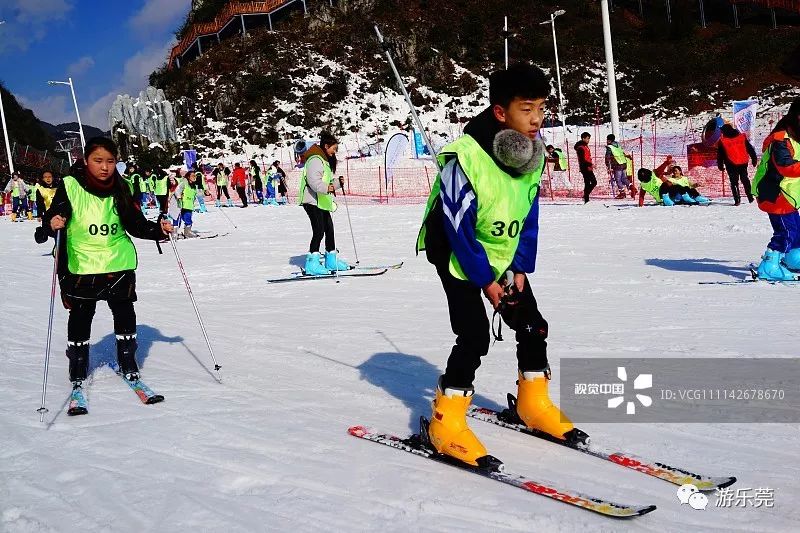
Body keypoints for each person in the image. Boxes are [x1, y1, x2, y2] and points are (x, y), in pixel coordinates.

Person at [416, 64, 575, 467]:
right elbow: (456, 229)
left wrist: (519, 266)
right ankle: (445, 421)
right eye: (527, 109)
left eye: (541, 107)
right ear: (501, 112)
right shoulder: (465, 159)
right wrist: (486, 280)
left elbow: (528, 213)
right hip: (458, 255)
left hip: (502, 253)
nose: (537, 119)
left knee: (533, 325)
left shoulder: (530, 154)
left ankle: (533, 402)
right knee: (474, 337)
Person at [41, 137, 173, 402]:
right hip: (83, 263)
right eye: (98, 161)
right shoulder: (70, 186)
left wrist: (157, 230)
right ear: (86, 160)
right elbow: (52, 218)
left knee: (124, 310)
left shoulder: (121, 187)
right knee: (81, 314)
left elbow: (134, 223)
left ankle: (128, 363)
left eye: (110, 161)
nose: (104, 167)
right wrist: (52, 222)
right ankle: (77, 367)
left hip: (117, 261)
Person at [751, 98, 800, 280]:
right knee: (786, 232)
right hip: (776, 194)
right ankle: (769, 266)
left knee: (796, 229)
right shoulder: (781, 138)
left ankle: (793, 258)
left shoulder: (795, 136)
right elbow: (785, 166)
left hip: (789, 195)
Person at [298, 131, 350, 275]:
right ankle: (312, 263)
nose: (334, 152)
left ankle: (331, 260)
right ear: (326, 146)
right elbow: (314, 182)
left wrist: (337, 183)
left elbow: (325, 182)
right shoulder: (315, 159)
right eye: (333, 149)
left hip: (321, 201)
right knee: (319, 231)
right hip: (312, 201)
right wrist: (327, 187)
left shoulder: (323, 161)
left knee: (329, 229)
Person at [717, 123, 758, 206]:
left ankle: (737, 200)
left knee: (734, 182)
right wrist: (754, 159)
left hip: (730, 164)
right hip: (743, 162)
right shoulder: (741, 137)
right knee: (745, 179)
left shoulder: (723, 141)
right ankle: (750, 197)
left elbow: (720, 155)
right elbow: (750, 148)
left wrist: (720, 165)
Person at [605, 134, 635, 199]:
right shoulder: (618, 145)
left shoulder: (609, 147)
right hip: (624, 163)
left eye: (607, 140)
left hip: (617, 164)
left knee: (618, 179)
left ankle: (622, 193)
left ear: (609, 140)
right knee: (624, 178)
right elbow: (622, 152)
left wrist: (608, 166)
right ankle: (632, 188)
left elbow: (608, 157)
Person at [173, 171, 200, 238]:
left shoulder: (194, 185)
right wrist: (179, 197)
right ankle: (174, 232)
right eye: (193, 176)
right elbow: (177, 190)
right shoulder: (184, 183)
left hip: (189, 205)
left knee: (188, 219)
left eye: (195, 176)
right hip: (181, 204)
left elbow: (197, 194)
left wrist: (205, 193)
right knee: (177, 218)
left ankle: (187, 232)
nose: (194, 177)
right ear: (188, 177)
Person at [574, 132, 596, 203]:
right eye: (587, 139)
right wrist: (590, 164)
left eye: (589, 139)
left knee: (593, 182)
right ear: (583, 138)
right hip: (585, 167)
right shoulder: (580, 148)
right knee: (588, 183)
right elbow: (582, 160)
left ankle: (586, 196)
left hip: (588, 167)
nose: (588, 140)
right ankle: (586, 198)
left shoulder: (585, 146)